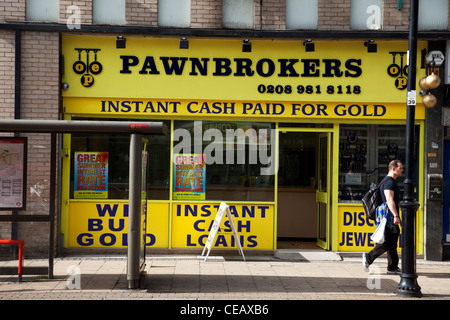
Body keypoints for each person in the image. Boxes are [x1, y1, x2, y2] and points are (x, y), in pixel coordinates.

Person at [362, 159, 403, 274]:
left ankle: (392, 267)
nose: (402, 170)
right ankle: (368, 258)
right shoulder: (389, 182)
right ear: (393, 169)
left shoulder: (388, 181)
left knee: (392, 241)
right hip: (389, 217)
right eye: (400, 168)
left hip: (388, 217)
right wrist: (395, 215)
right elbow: (390, 200)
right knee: (387, 242)